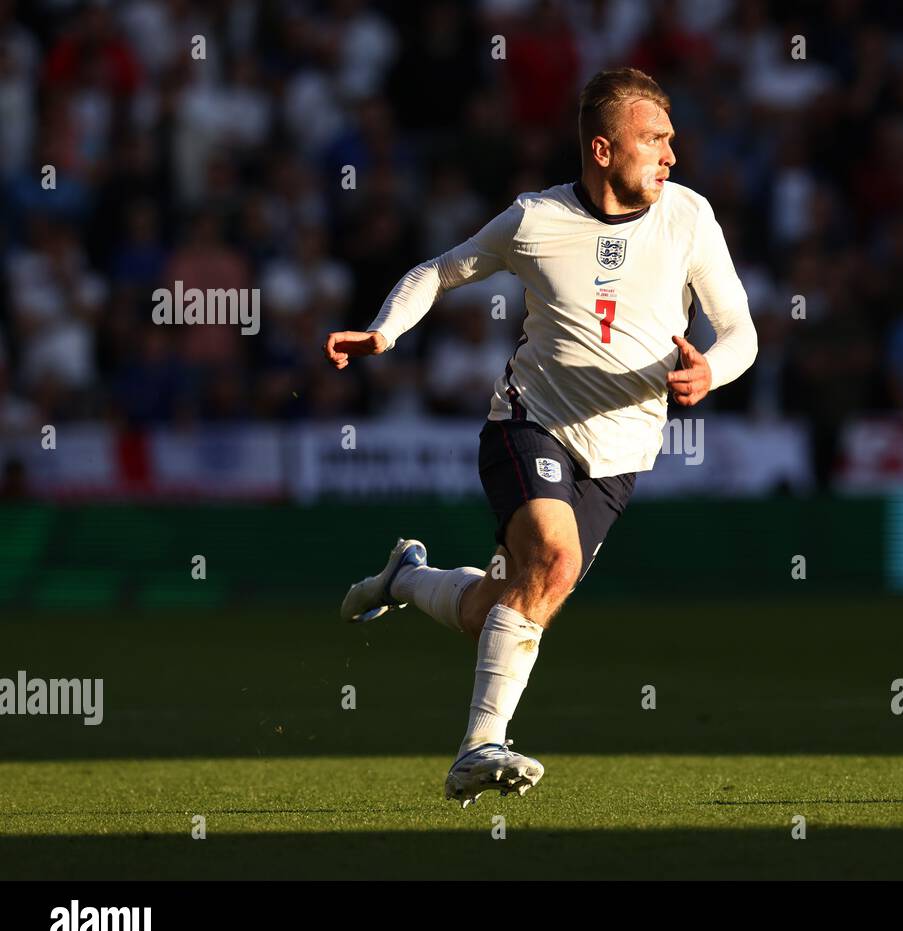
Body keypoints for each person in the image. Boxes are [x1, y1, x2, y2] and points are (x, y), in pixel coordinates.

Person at [323, 68, 757, 806]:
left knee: (510, 600)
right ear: (601, 148)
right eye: (654, 140)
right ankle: (477, 749)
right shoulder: (534, 221)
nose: (671, 156)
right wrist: (384, 331)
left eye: (672, 141)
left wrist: (711, 373)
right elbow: (438, 270)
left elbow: (742, 331)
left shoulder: (689, 217)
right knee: (551, 556)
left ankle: (404, 577)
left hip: (621, 455)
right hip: (529, 423)